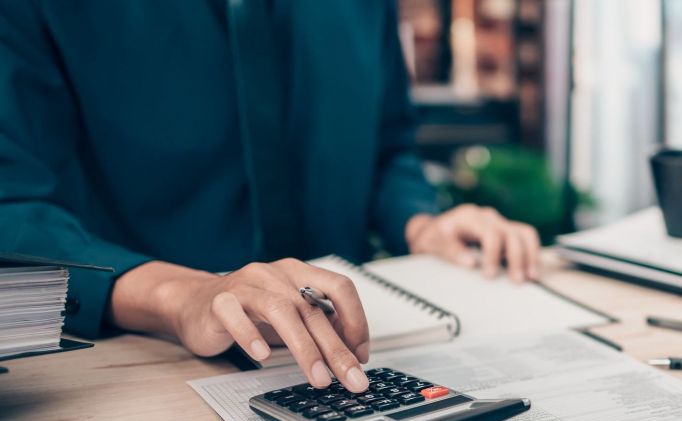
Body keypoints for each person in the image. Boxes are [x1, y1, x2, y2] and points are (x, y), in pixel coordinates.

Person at [0, 1, 540, 393]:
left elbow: (387, 144)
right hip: (140, 373)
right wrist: (181, 296)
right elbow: (14, 206)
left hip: (364, 351)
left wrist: (421, 223)